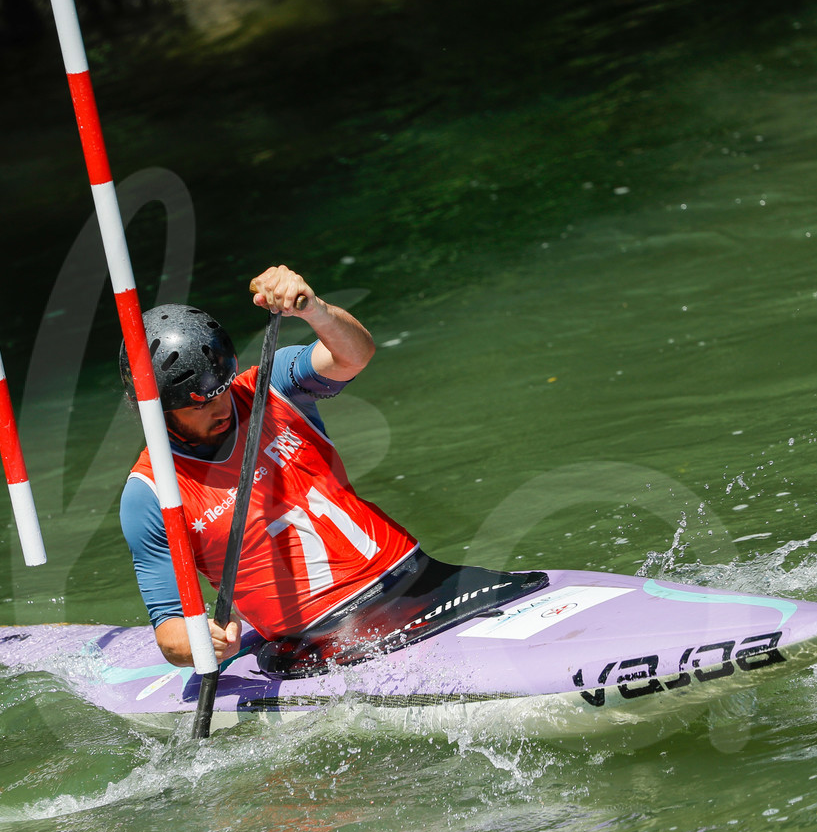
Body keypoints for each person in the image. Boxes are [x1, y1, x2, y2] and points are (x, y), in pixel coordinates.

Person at [119, 266, 543, 674]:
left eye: (222, 389)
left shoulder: (272, 384)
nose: (222, 407)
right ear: (157, 411)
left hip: (419, 577)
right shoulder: (151, 494)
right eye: (200, 404)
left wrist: (313, 309)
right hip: (320, 639)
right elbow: (170, 629)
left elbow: (355, 355)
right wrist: (198, 642)